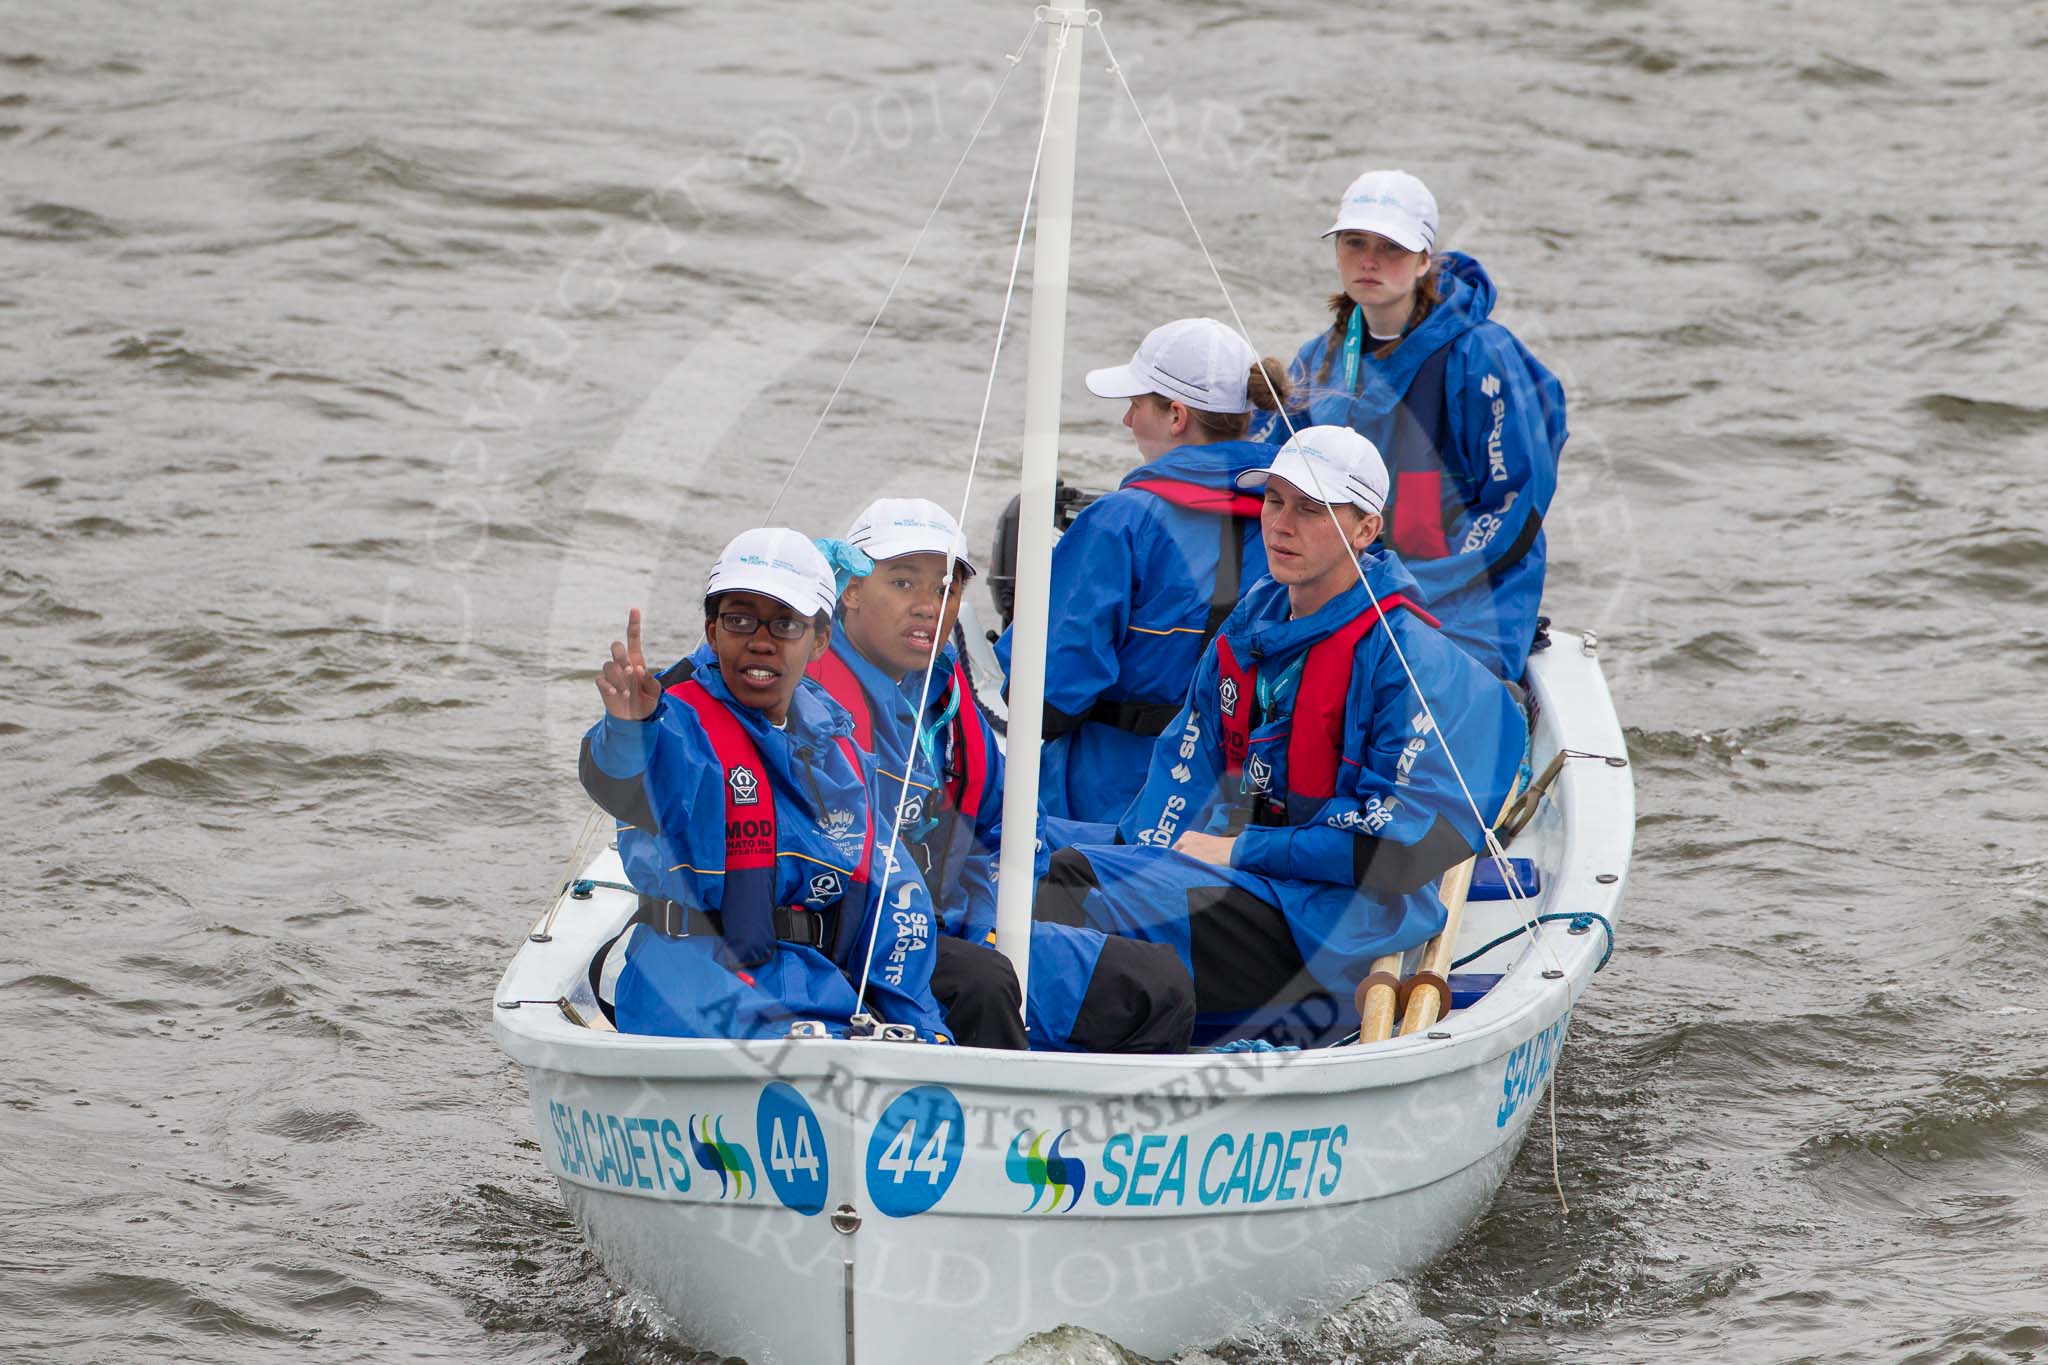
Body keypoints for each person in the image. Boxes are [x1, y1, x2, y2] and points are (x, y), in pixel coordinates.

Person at [1032, 427, 1527, 1045]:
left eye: (1311, 510)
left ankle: (1059, 1053)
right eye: (1274, 502)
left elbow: (1388, 850)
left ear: (1367, 529)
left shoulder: (1407, 659)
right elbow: (1181, 775)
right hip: (1255, 886)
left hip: (1338, 921)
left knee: (1073, 884)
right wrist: (1140, 854)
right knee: (1036, 862)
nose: (1281, 525)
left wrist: (1239, 852)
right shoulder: (1250, 629)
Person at [810, 497, 1196, 1054]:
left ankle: (1106, 1126)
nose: (927, 606)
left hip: (961, 920)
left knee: (1158, 972)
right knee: (1011, 983)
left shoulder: (945, 694)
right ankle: (1016, 1117)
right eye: (901, 583)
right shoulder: (806, 695)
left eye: (945, 588)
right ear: (850, 589)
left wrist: (992, 917)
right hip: (871, 944)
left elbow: (1010, 826)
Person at [577, 527, 953, 1042]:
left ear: (820, 640)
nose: (760, 640)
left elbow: (891, 893)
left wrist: (926, 1032)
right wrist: (627, 728)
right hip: (693, 1000)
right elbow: (619, 781)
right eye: (739, 619)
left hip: (816, 994)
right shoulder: (673, 725)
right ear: (712, 632)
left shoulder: (838, 745)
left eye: (785, 625)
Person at [1255, 170, 1567, 683]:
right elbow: (1269, 473)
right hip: (1355, 586)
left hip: (1468, 604)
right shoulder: (1323, 357)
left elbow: (1514, 509)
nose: (1370, 260)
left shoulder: (1486, 357)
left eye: (1391, 247)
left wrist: (1396, 585)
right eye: (1354, 242)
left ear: (1425, 260)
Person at [997, 316, 1292, 824]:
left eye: (1136, 404)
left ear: (1176, 415)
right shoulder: (1298, 516)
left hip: (1111, 807)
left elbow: (1043, 696)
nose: (1127, 421)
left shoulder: (1122, 522)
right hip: (1245, 804)